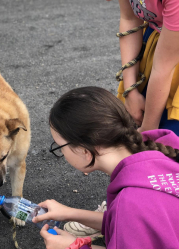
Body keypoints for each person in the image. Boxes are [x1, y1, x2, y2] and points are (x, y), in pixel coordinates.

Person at [66, 0, 179, 239]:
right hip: (157, 47)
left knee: (167, 139)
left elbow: (166, 68)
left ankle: (148, 219)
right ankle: (118, 214)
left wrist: (148, 133)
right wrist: (131, 90)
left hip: (172, 60)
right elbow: (130, 22)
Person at [32, 86, 179, 249]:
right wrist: (69, 213)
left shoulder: (131, 202)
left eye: (60, 147)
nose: (62, 153)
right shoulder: (162, 151)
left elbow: (130, 218)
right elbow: (125, 224)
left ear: (84, 150)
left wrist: (74, 247)